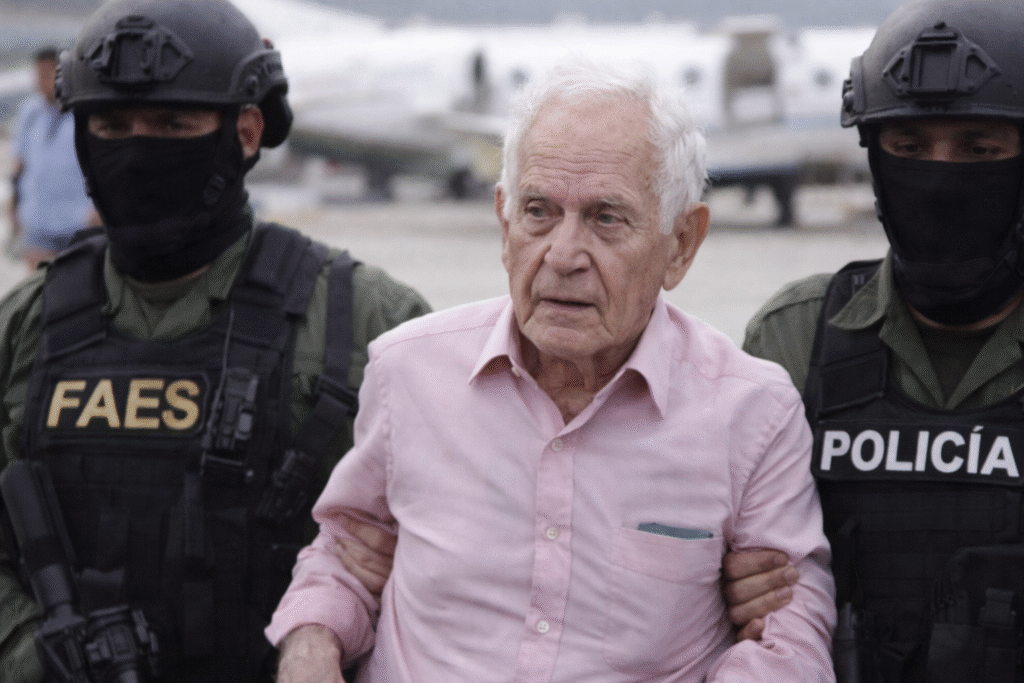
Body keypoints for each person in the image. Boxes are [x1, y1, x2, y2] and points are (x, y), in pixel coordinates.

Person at [266, 61, 836, 683]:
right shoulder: (407, 372)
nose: (563, 256)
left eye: (606, 218)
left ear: (681, 244)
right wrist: (311, 645)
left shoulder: (751, 412)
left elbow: (789, 637)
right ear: (504, 224)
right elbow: (347, 557)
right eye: (539, 211)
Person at [0, 1, 430, 682]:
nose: (137, 151)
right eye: (111, 126)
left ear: (248, 130)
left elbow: (444, 553)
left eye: (173, 124)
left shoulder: (365, 319)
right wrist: (36, 654)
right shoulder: (25, 325)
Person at [722, 0, 1024, 681]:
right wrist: (724, 582)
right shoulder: (796, 338)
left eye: (979, 150)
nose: (940, 178)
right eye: (909, 147)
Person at [8, 47, 100, 271]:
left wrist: (98, 210)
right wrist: (13, 204)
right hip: (38, 219)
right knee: (38, 291)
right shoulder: (30, 113)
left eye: (47, 75)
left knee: (77, 293)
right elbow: (20, 164)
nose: (42, 81)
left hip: (78, 221)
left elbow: (100, 163)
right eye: (38, 75)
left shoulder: (83, 113)